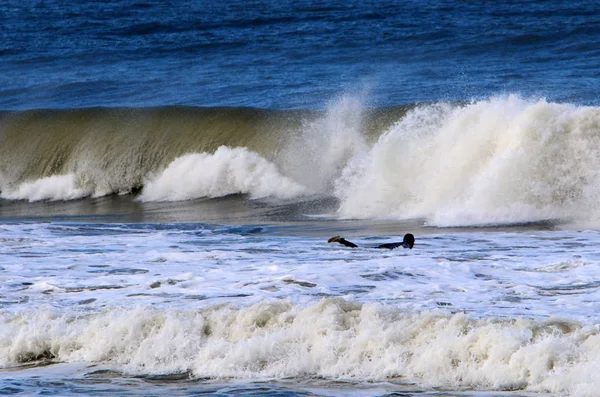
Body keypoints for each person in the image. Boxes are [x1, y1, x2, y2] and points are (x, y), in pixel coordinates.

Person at [327, 233, 415, 249]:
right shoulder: (406, 245)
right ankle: (341, 240)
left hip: (384, 246)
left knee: (358, 248)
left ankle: (341, 240)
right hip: (385, 248)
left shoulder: (404, 243)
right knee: (358, 248)